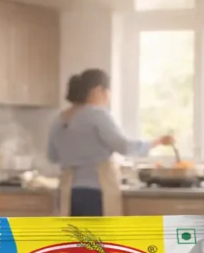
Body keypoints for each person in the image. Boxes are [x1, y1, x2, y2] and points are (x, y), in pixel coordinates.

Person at [47, 68, 174, 216]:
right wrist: (157, 142)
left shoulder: (60, 118)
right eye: (108, 92)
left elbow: (52, 156)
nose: (108, 97)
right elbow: (124, 147)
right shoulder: (98, 114)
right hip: (96, 192)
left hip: (67, 193)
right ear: (97, 90)